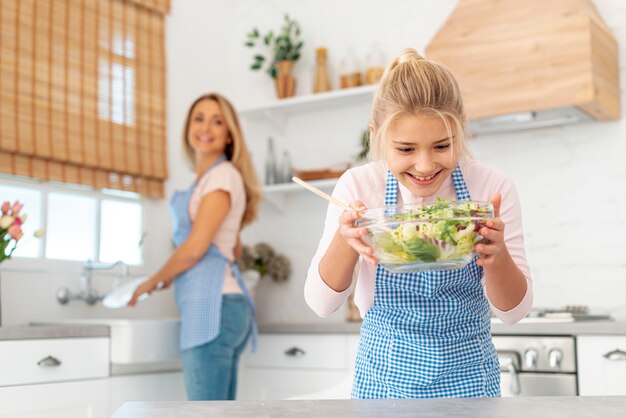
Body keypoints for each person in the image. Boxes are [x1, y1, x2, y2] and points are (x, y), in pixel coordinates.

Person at [304, 48, 532, 399]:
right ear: (377, 135)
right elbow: (322, 305)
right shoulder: (359, 187)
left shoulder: (491, 187)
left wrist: (496, 255)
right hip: (383, 385)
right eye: (406, 149)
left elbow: (514, 312)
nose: (424, 166)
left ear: (461, 130)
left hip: (470, 383)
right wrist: (344, 238)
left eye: (442, 145)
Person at [128, 93, 261, 401]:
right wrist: (176, 273)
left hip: (212, 307)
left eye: (218, 121)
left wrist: (151, 280)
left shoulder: (221, 177)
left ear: (229, 135)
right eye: (199, 118)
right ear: (188, 126)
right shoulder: (210, 179)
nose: (206, 127)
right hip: (224, 305)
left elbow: (196, 248)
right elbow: (233, 248)